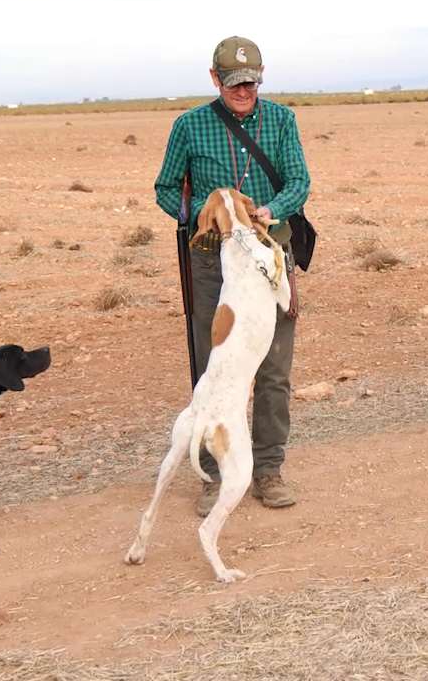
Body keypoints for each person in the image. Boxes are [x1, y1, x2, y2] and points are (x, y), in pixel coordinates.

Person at [154, 35, 310, 515]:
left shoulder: (282, 120)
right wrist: (207, 212)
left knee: (273, 371)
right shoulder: (189, 126)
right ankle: (213, 472)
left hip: (267, 257)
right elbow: (166, 191)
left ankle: (268, 469)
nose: (243, 90)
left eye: (251, 82)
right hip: (211, 263)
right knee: (213, 371)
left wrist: (266, 211)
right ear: (214, 78)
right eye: (233, 82)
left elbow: (299, 183)